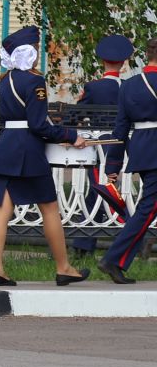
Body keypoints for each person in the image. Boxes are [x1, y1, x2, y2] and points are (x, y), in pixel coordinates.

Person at [0, 26, 90, 287]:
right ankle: (64, 267)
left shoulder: (4, 81)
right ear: (28, 52)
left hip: (6, 146)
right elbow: (37, 124)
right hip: (27, 151)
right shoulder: (33, 81)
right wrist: (69, 135)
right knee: (49, 207)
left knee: (1, 210)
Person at [101, 38, 157, 284]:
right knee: (149, 207)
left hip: (143, 150)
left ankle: (115, 259)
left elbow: (120, 128)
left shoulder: (130, 85)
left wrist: (112, 166)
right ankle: (114, 259)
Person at [71, 35, 133, 254]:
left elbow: (78, 115)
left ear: (101, 61)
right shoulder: (129, 86)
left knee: (99, 190)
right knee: (114, 190)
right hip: (124, 145)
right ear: (124, 62)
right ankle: (129, 237)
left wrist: (81, 101)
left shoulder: (94, 87)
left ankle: (85, 244)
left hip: (100, 145)